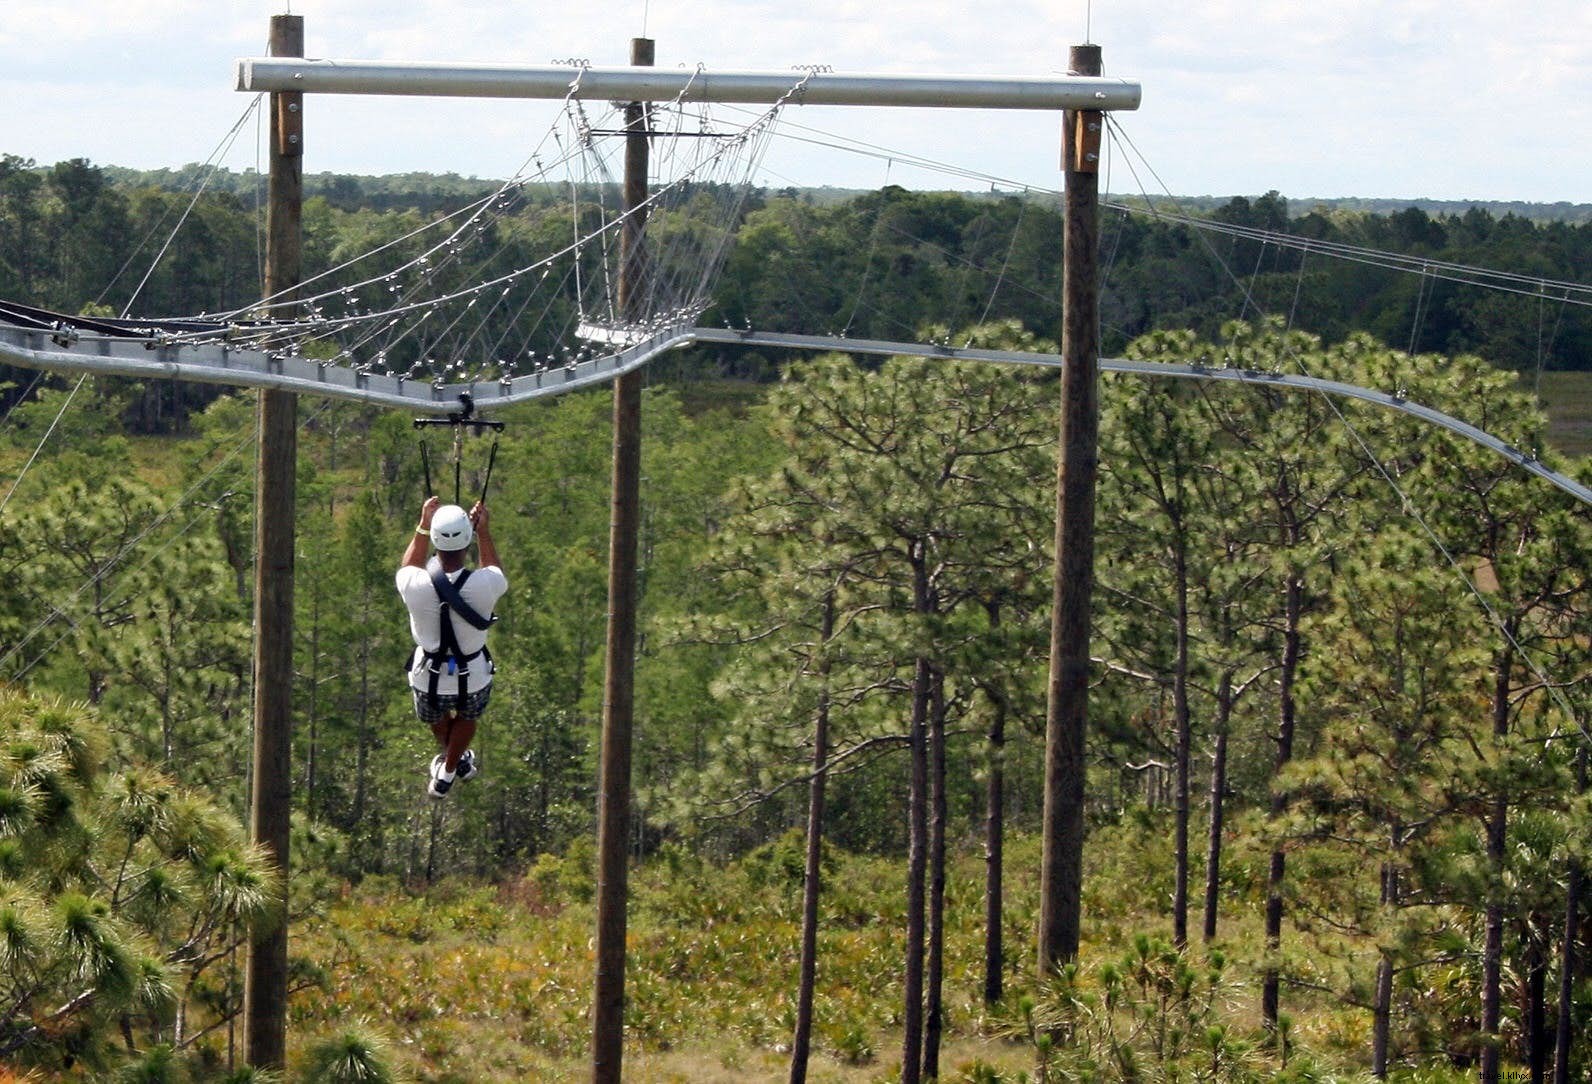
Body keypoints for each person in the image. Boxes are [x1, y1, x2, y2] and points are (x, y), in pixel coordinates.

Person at [397, 496, 507, 799]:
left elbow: (409, 566)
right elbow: (494, 569)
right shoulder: (486, 584)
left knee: (437, 719)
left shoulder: (413, 583)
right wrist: (483, 531)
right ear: (468, 540)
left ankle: (450, 765)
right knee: (467, 718)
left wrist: (423, 525)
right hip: (473, 674)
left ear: (434, 537)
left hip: (426, 674)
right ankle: (450, 767)